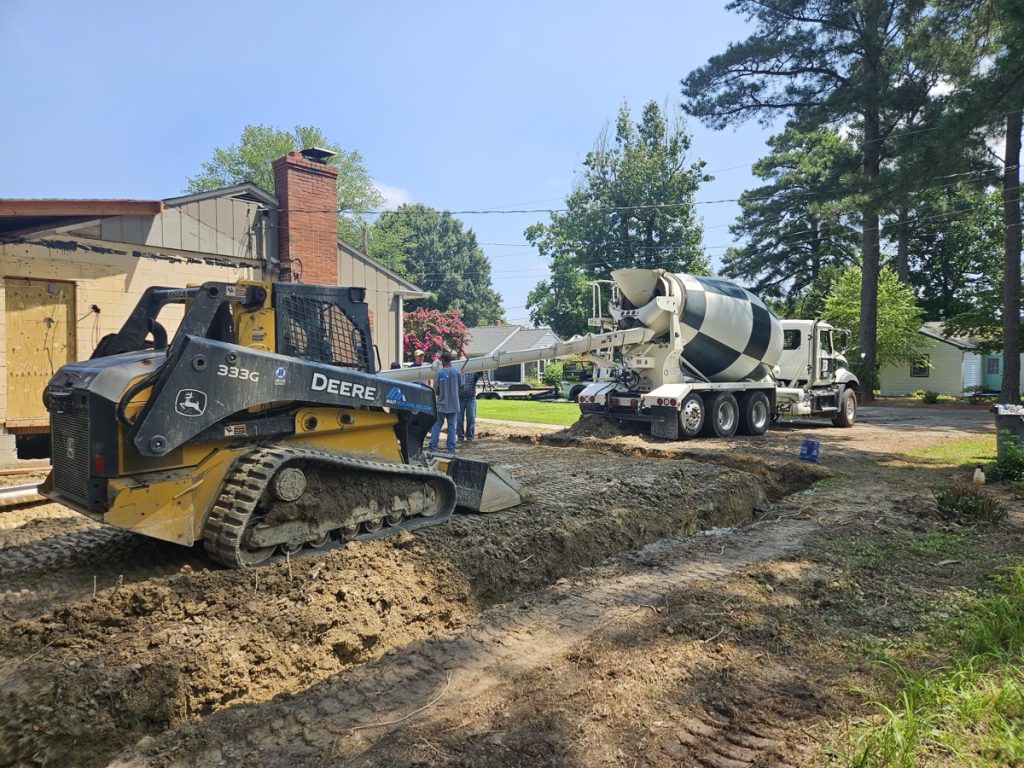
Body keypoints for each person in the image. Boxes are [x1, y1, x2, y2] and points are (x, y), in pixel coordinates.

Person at [428, 351, 461, 453]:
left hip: (441, 404)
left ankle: (433, 446)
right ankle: (451, 448)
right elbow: (461, 386)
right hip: (454, 404)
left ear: (443, 360)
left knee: (437, 425)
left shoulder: (440, 373)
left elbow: (436, 390)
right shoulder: (458, 372)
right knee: (451, 427)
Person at [457, 370, 482, 443]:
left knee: (471, 417)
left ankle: (469, 437)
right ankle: (460, 437)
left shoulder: (473, 372)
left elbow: (479, 373)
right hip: (459, 397)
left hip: (471, 397)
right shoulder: (457, 372)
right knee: (459, 419)